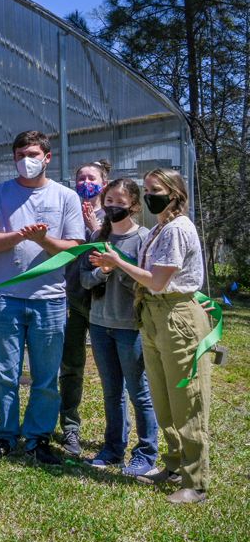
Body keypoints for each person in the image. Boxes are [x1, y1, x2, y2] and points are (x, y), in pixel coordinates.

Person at [92, 169, 212, 504]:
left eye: (155, 189)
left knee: (187, 401)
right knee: (163, 398)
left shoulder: (177, 229)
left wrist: (117, 262)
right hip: (154, 315)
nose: (148, 195)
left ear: (175, 192)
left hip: (176, 315)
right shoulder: (160, 228)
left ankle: (195, 481)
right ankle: (173, 466)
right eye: (146, 189)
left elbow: (157, 281)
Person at [0, 130, 85, 466]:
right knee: (4, 373)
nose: (28, 160)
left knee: (45, 377)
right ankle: (6, 436)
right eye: (21, 154)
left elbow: (73, 250)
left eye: (34, 154)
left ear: (48, 158)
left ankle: (38, 438)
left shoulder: (65, 197)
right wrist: (17, 236)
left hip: (50, 300)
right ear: (13, 158)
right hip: (6, 298)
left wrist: (43, 241)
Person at [79, 178, 158, 475]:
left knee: (139, 393)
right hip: (99, 325)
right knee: (112, 392)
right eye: (108, 201)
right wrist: (103, 271)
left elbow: (147, 284)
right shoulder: (99, 236)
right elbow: (85, 280)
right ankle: (113, 449)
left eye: (120, 203)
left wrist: (119, 266)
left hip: (130, 328)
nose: (112, 207)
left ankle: (146, 454)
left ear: (134, 206)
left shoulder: (144, 238)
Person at [58, 159, 111, 458]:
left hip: (105, 306)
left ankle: (115, 437)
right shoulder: (70, 213)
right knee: (71, 368)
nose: (85, 182)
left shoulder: (114, 214)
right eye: (81, 177)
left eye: (91, 177)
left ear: (104, 182)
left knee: (111, 373)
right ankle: (70, 428)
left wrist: (95, 230)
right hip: (74, 301)